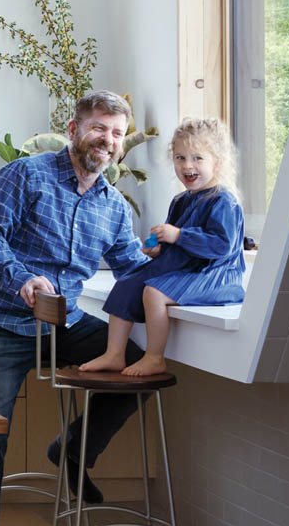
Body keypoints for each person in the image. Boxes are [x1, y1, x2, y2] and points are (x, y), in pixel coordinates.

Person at [0, 90, 152, 526]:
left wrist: (192, 266)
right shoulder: (25, 174)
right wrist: (22, 278)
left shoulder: (113, 206)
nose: (107, 139)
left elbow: (132, 267)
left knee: (137, 368)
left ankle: (71, 449)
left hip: (64, 324)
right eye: (99, 127)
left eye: (117, 133)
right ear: (74, 129)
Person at [80, 117, 246, 376]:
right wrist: (158, 248)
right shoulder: (181, 200)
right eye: (180, 158)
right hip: (188, 269)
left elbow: (221, 246)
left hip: (216, 275)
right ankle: (114, 354)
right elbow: (176, 244)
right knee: (126, 283)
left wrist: (178, 235)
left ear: (218, 162)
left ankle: (154, 357)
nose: (188, 165)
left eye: (198, 158)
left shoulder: (223, 200)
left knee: (154, 293)